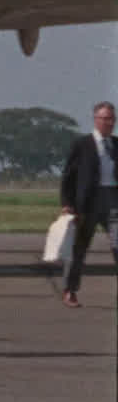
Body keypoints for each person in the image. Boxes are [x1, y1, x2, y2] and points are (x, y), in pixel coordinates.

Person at [59, 101, 117, 308]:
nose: (109, 123)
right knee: (79, 249)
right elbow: (68, 176)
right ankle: (70, 291)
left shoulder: (116, 145)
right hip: (88, 203)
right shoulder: (82, 144)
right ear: (95, 119)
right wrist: (67, 203)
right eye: (105, 118)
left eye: (112, 118)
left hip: (113, 202)